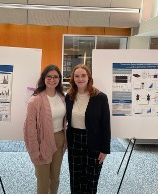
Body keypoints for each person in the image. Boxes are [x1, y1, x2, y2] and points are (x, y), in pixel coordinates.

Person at [65, 64, 111, 194]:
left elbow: (105, 125)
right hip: (74, 141)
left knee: (91, 178)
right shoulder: (69, 96)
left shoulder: (100, 97)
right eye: (77, 76)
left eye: (83, 75)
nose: (80, 79)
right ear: (73, 78)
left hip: (94, 142)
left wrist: (104, 149)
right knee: (75, 178)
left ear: (89, 77)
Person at [23, 64, 66, 194]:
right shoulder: (35, 100)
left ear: (59, 79)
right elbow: (29, 129)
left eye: (55, 77)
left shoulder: (62, 97)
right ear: (44, 78)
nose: (52, 79)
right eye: (49, 76)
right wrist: (34, 151)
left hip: (59, 139)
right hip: (42, 142)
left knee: (55, 179)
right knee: (43, 181)